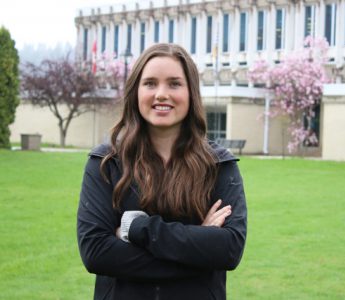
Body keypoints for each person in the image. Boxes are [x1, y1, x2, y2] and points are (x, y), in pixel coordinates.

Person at [77, 43, 247, 300]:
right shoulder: (106, 162)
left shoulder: (219, 165)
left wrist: (136, 229)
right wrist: (198, 246)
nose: (161, 94)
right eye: (150, 83)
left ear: (191, 92)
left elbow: (229, 250)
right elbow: (96, 252)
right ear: (136, 91)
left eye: (174, 84)